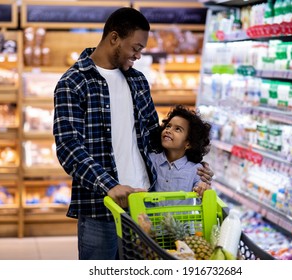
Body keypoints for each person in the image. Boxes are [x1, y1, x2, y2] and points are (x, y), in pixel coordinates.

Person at [53, 7, 213, 260]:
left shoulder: (138, 81)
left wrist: (193, 165)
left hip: (147, 205)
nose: (138, 55)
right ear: (114, 38)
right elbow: (69, 147)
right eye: (136, 48)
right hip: (100, 208)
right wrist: (110, 186)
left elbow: (153, 137)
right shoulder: (73, 83)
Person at [150, 105, 212, 206]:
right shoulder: (151, 160)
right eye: (168, 126)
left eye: (178, 129)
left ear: (188, 143)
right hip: (149, 221)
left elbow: (202, 189)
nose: (168, 130)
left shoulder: (196, 169)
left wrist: (202, 188)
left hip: (181, 221)